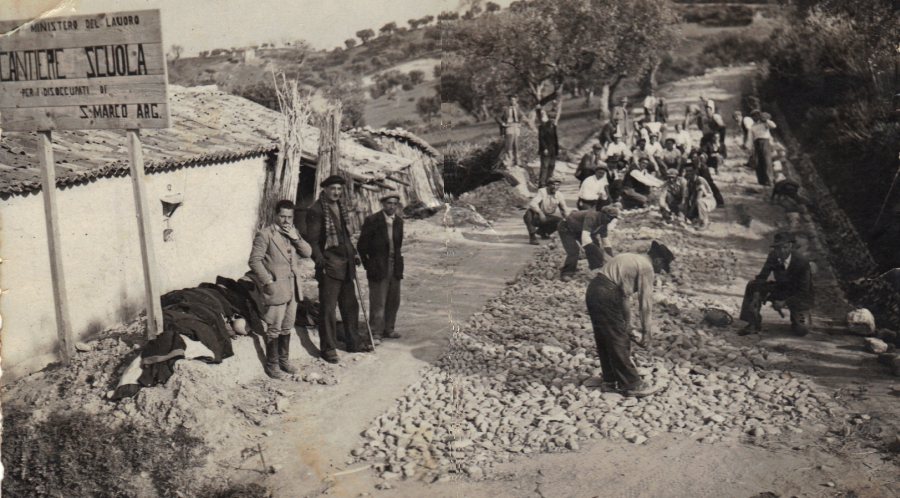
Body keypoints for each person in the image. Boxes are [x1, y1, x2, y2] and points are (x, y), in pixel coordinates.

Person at [585, 241, 675, 396]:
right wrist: (647, 333)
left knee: (605, 336)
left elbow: (624, 296)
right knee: (618, 339)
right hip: (607, 293)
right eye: (662, 267)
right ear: (658, 260)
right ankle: (631, 383)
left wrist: (627, 325)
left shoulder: (631, 258)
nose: (660, 271)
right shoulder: (646, 268)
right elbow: (645, 304)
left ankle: (610, 379)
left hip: (594, 290)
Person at [306, 175, 371, 363]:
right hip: (330, 267)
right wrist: (321, 263)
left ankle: (353, 343)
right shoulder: (316, 210)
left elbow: (345, 237)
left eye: (339, 189)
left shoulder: (340, 208)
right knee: (328, 309)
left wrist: (354, 254)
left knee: (350, 306)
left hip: (346, 265)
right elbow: (312, 241)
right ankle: (328, 349)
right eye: (333, 188)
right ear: (325, 190)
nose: (336, 192)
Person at [248, 200, 313, 379]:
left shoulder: (293, 232)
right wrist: (268, 281)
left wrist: (296, 237)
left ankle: (284, 361)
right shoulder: (265, 234)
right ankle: (272, 365)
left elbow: (307, 252)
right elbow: (254, 260)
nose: (286, 220)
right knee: (274, 328)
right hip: (276, 288)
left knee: (287, 327)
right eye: (282, 216)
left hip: (293, 289)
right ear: (275, 215)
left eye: (289, 217)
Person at [738, 232, 814, 336]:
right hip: (781, 289)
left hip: (798, 296)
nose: (781, 251)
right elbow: (762, 277)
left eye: (785, 247)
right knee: (752, 285)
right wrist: (756, 295)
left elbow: (803, 291)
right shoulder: (773, 256)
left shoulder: (802, 262)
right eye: (778, 248)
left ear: (791, 246)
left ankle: (797, 316)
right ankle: (753, 323)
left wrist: (784, 302)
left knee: (802, 330)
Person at [357, 194, 404, 341]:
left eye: (395, 204)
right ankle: (376, 332)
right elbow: (361, 246)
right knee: (378, 301)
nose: (392, 206)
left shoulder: (399, 222)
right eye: (389, 203)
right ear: (383, 204)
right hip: (378, 266)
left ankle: (389, 329)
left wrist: (397, 263)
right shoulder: (372, 220)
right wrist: (369, 265)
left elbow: (398, 246)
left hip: (394, 265)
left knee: (393, 299)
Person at [557, 206, 619, 281]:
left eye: (613, 218)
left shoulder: (604, 224)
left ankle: (595, 268)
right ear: (604, 214)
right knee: (574, 251)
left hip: (580, 230)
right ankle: (567, 273)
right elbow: (586, 240)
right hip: (566, 228)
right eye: (610, 217)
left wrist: (610, 258)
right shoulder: (591, 217)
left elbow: (605, 241)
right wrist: (602, 255)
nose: (610, 220)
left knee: (595, 244)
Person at [524, 176, 569, 244]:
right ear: (548, 185)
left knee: (561, 222)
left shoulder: (559, 195)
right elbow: (532, 203)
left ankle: (543, 232)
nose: (554, 187)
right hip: (537, 215)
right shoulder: (542, 191)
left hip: (547, 216)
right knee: (528, 213)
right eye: (552, 184)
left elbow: (564, 209)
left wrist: (568, 220)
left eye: (557, 185)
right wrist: (540, 212)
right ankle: (532, 236)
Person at [683, 165, 717, 230]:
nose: (688, 173)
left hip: (709, 201)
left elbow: (698, 197)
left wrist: (690, 211)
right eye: (686, 171)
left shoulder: (699, 180)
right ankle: (696, 219)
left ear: (694, 172)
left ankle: (704, 222)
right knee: (688, 205)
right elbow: (687, 198)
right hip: (699, 201)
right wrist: (686, 213)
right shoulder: (689, 182)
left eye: (690, 171)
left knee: (699, 202)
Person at [750, 110, 777, 186]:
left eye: (756, 116)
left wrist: (767, 120)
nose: (755, 117)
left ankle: (770, 180)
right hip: (756, 143)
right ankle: (761, 180)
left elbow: (774, 126)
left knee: (767, 160)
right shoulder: (753, 126)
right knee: (758, 161)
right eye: (753, 116)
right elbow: (751, 137)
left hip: (765, 142)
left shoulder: (765, 123)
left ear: (759, 115)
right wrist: (751, 147)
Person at [537, 108, 560, 187]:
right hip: (546, 150)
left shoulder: (554, 126)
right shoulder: (543, 126)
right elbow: (541, 138)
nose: (552, 120)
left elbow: (555, 139)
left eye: (554, 118)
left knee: (552, 165)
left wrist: (557, 149)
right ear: (548, 118)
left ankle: (548, 182)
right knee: (545, 166)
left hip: (553, 150)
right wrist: (544, 148)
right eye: (551, 118)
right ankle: (542, 183)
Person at [501, 95, 523, 167]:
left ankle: (517, 161)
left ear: (516, 101)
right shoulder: (505, 109)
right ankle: (509, 162)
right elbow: (497, 117)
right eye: (511, 100)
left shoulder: (518, 108)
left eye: (514, 100)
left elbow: (521, 116)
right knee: (509, 144)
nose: (513, 101)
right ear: (509, 101)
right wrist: (503, 123)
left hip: (516, 126)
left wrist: (520, 123)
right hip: (509, 126)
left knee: (516, 144)